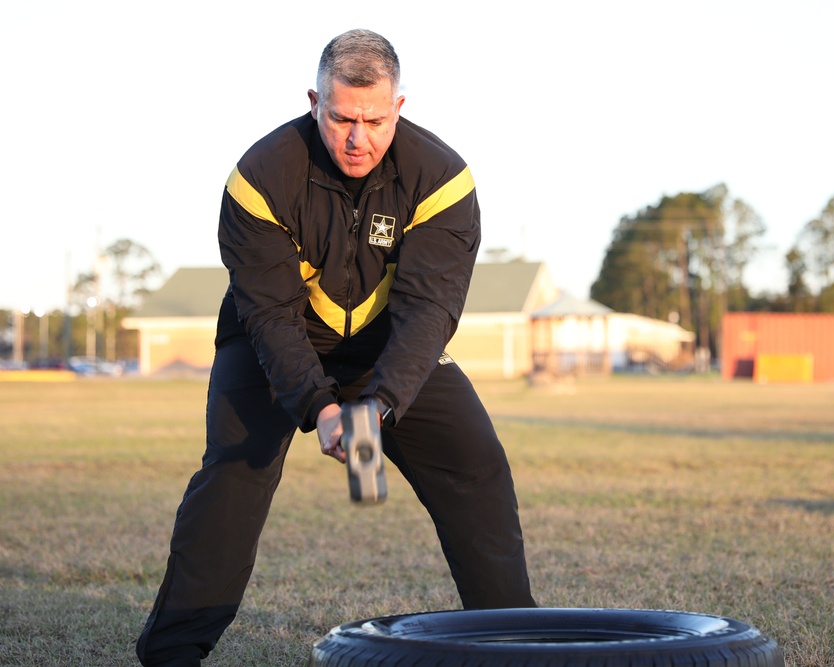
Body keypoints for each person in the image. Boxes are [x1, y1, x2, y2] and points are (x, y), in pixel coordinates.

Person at [136, 28, 536, 667]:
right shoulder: (259, 178)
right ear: (314, 102)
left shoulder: (444, 179)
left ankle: (519, 646)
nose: (358, 138)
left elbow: (429, 312)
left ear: (399, 108)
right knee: (235, 471)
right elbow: (268, 314)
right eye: (342, 118)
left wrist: (376, 407)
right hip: (276, 339)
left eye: (374, 120)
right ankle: (172, 653)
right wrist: (320, 406)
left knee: (476, 465)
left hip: (390, 346)